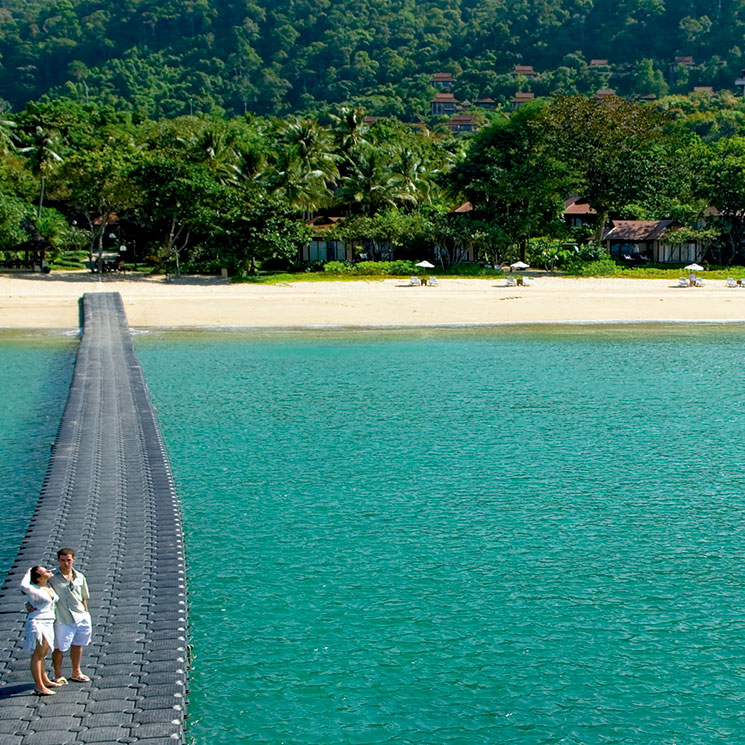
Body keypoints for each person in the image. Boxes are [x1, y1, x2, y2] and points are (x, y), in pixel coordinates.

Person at [48, 548, 91, 684]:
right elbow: (35, 588)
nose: (66, 563)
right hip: (62, 618)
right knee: (59, 648)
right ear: (58, 560)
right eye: (62, 560)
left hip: (81, 616)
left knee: (78, 644)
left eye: (68, 560)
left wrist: (86, 613)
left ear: (73, 560)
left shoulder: (80, 577)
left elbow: (84, 597)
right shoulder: (51, 577)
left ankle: (76, 672)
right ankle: (58, 675)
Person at [20, 565, 62, 695]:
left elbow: (56, 569)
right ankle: (39, 686)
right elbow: (23, 586)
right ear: (38, 577)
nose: (49, 571)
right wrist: (29, 570)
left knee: (43, 653)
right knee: (38, 655)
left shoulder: (47, 586)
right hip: (38, 622)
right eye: (45, 571)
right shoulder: (35, 589)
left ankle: (45, 680)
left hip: (49, 622)